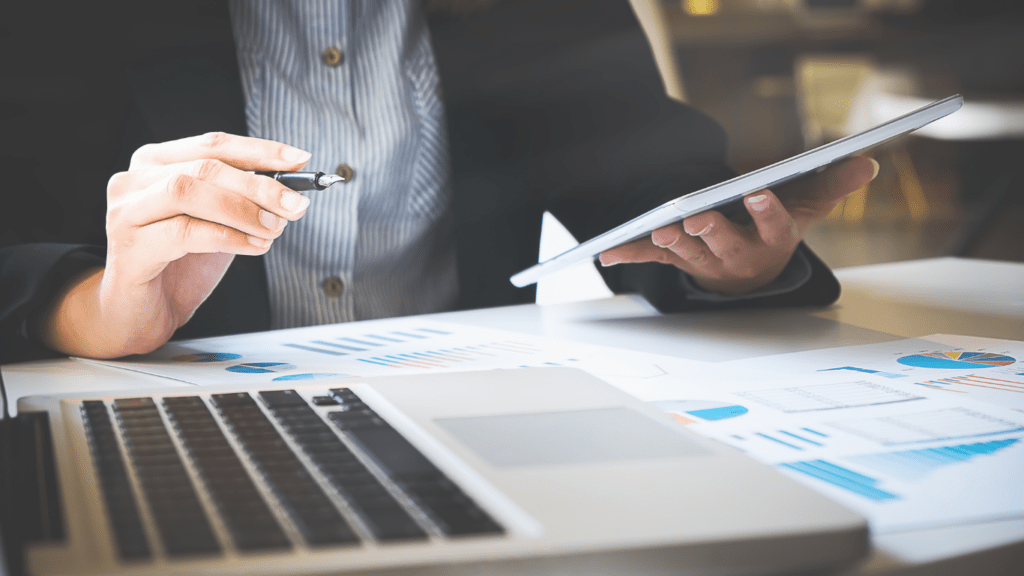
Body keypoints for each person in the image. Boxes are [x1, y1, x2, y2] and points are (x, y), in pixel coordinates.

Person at [0, 0, 876, 365]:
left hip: (467, 403)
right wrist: (95, 309)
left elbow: (645, 172)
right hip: (166, 397)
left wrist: (729, 257)